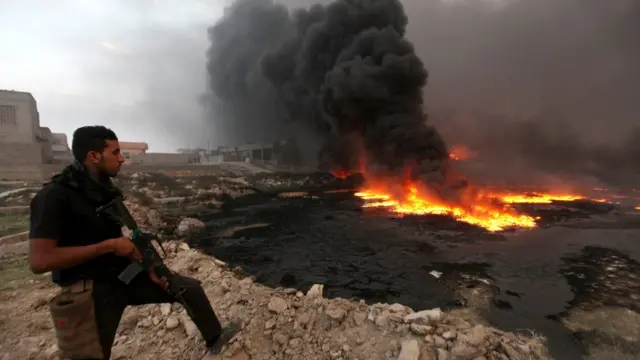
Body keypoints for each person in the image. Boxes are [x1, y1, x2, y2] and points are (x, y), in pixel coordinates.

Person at [28, 126, 239, 360]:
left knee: (189, 289)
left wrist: (152, 269)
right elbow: (40, 261)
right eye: (116, 153)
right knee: (93, 353)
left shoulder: (104, 190)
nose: (122, 159)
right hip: (90, 292)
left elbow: (130, 234)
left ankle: (215, 339)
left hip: (122, 277)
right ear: (94, 156)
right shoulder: (54, 197)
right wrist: (109, 246)